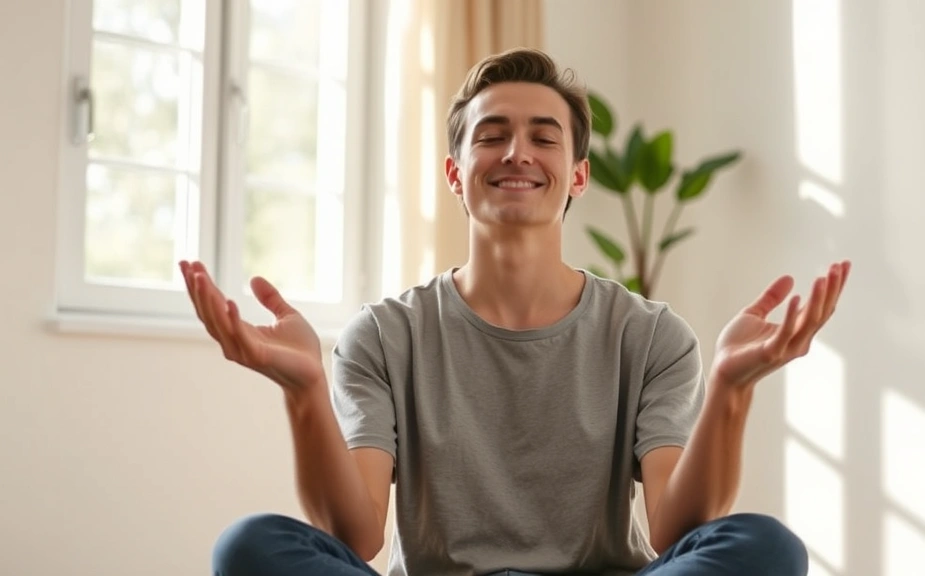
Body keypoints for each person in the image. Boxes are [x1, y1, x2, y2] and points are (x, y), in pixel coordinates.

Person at [182, 48, 850, 576]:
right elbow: (356, 537)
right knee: (248, 546)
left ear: (578, 175)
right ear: (455, 173)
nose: (516, 153)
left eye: (543, 137)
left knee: (767, 548)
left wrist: (731, 388)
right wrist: (303, 391)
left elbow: (677, 530)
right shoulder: (384, 336)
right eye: (492, 135)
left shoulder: (650, 336)